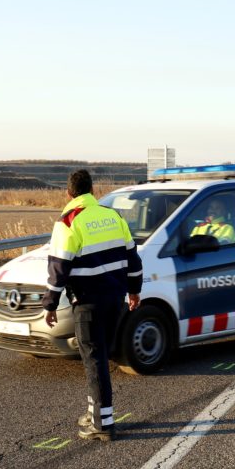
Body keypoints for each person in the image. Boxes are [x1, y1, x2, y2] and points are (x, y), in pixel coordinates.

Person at [43, 169, 142, 441]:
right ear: (92, 191)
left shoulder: (68, 222)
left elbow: (58, 269)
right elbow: (133, 259)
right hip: (116, 300)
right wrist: (134, 291)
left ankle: (102, 424)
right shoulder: (113, 216)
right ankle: (96, 413)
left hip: (88, 303)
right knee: (98, 359)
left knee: (94, 361)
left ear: (69, 193)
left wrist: (50, 305)